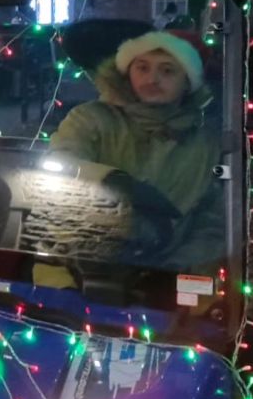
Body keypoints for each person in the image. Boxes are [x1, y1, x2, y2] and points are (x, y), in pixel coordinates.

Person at [50, 30, 222, 269]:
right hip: (78, 262)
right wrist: (111, 182)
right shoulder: (91, 120)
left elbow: (214, 221)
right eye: (142, 68)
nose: (152, 79)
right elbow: (62, 168)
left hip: (165, 272)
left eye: (167, 71)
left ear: (187, 83)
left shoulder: (206, 146)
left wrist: (174, 269)